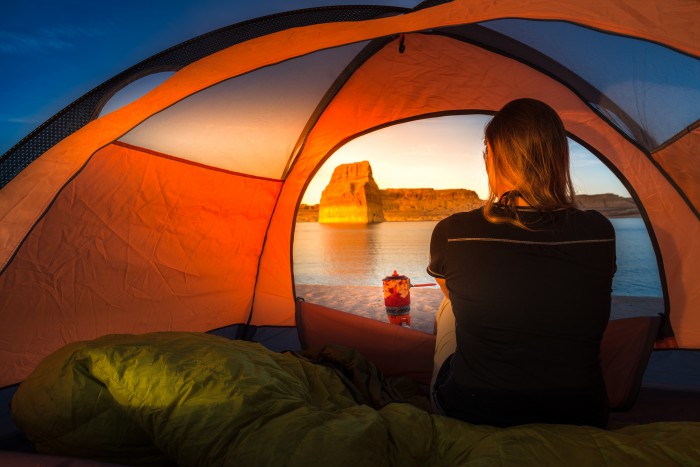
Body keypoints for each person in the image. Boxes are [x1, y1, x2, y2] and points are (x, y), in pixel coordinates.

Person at [427, 98, 616, 428]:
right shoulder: (600, 232)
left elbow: (450, 295)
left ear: (492, 155)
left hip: (476, 411)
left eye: (487, 153)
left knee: (447, 311)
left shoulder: (452, 232)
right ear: (558, 157)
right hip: (580, 415)